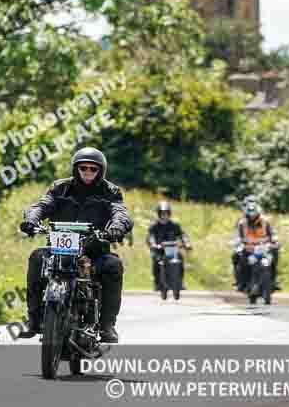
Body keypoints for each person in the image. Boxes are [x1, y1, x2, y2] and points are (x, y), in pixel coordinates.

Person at [17, 147, 133, 343]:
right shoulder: (60, 187)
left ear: (100, 171)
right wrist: (31, 219)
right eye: (83, 168)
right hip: (58, 249)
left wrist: (117, 227)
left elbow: (120, 212)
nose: (87, 172)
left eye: (93, 169)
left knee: (113, 265)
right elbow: (42, 205)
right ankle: (34, 320)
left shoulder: (110, 191)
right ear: (75, 169)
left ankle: (107, 325)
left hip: (94, 251)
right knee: (37, 258)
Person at [232, 196, 281, 291]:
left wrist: (275, 241)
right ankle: (240, 281)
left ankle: (273, 280)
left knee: (274, 254)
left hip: (263, 247)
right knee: (237, 257)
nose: (252, 218)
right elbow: (237, 235)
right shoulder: (241, 222)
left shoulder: (265, 221)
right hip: (248, 248)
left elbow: (272, 233)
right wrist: (237, 244)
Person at [148, 201, 191, 291]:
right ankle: (157, 283)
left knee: (180, 258)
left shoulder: (174, 225)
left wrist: (187, 243)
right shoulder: (154, 226)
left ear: (169, 214)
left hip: (172, 249)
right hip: (159, 250)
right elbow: (150, 237)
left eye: (166, 213)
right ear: (159, 214)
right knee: (156, 260)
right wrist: (153, 244)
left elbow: (182, 235)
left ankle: (180, 282)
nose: (164, 216)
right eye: (162, 213)